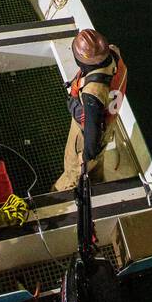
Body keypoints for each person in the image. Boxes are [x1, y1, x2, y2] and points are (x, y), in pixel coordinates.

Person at [53, 29, 127, 191]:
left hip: (85, 135)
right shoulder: (114, 54)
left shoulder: (93, 92)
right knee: (97, 163)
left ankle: (62, 194)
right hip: (108, 125)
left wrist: (85, 157)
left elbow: (92, 130)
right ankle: (96, 181)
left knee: (74, 169)